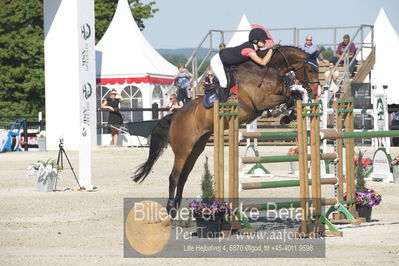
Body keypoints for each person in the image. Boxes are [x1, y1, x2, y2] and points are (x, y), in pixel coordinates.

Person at [216, 27, 274, 98]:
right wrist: (271, 50)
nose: (265, 41)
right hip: (218, 61)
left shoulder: (253, 47)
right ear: (255, 41)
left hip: (227, 61)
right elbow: (263, 62)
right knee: (224, 83)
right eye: (263, 40)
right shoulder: (249, 50)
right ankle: (220, 105)